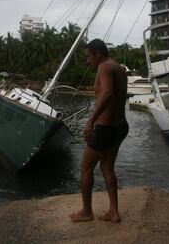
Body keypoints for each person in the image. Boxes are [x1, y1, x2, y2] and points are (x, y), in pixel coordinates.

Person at [69, 39, 128, 223]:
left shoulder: (104, 67)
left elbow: (108, 93)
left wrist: (90, 121)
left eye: (88, 56)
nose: (87, 61)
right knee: (107, 167)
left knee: (86, 168)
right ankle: (113, 212)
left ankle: (86, 212)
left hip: (105, 129)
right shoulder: (118, 68)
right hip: (120, 126)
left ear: (98, 54)